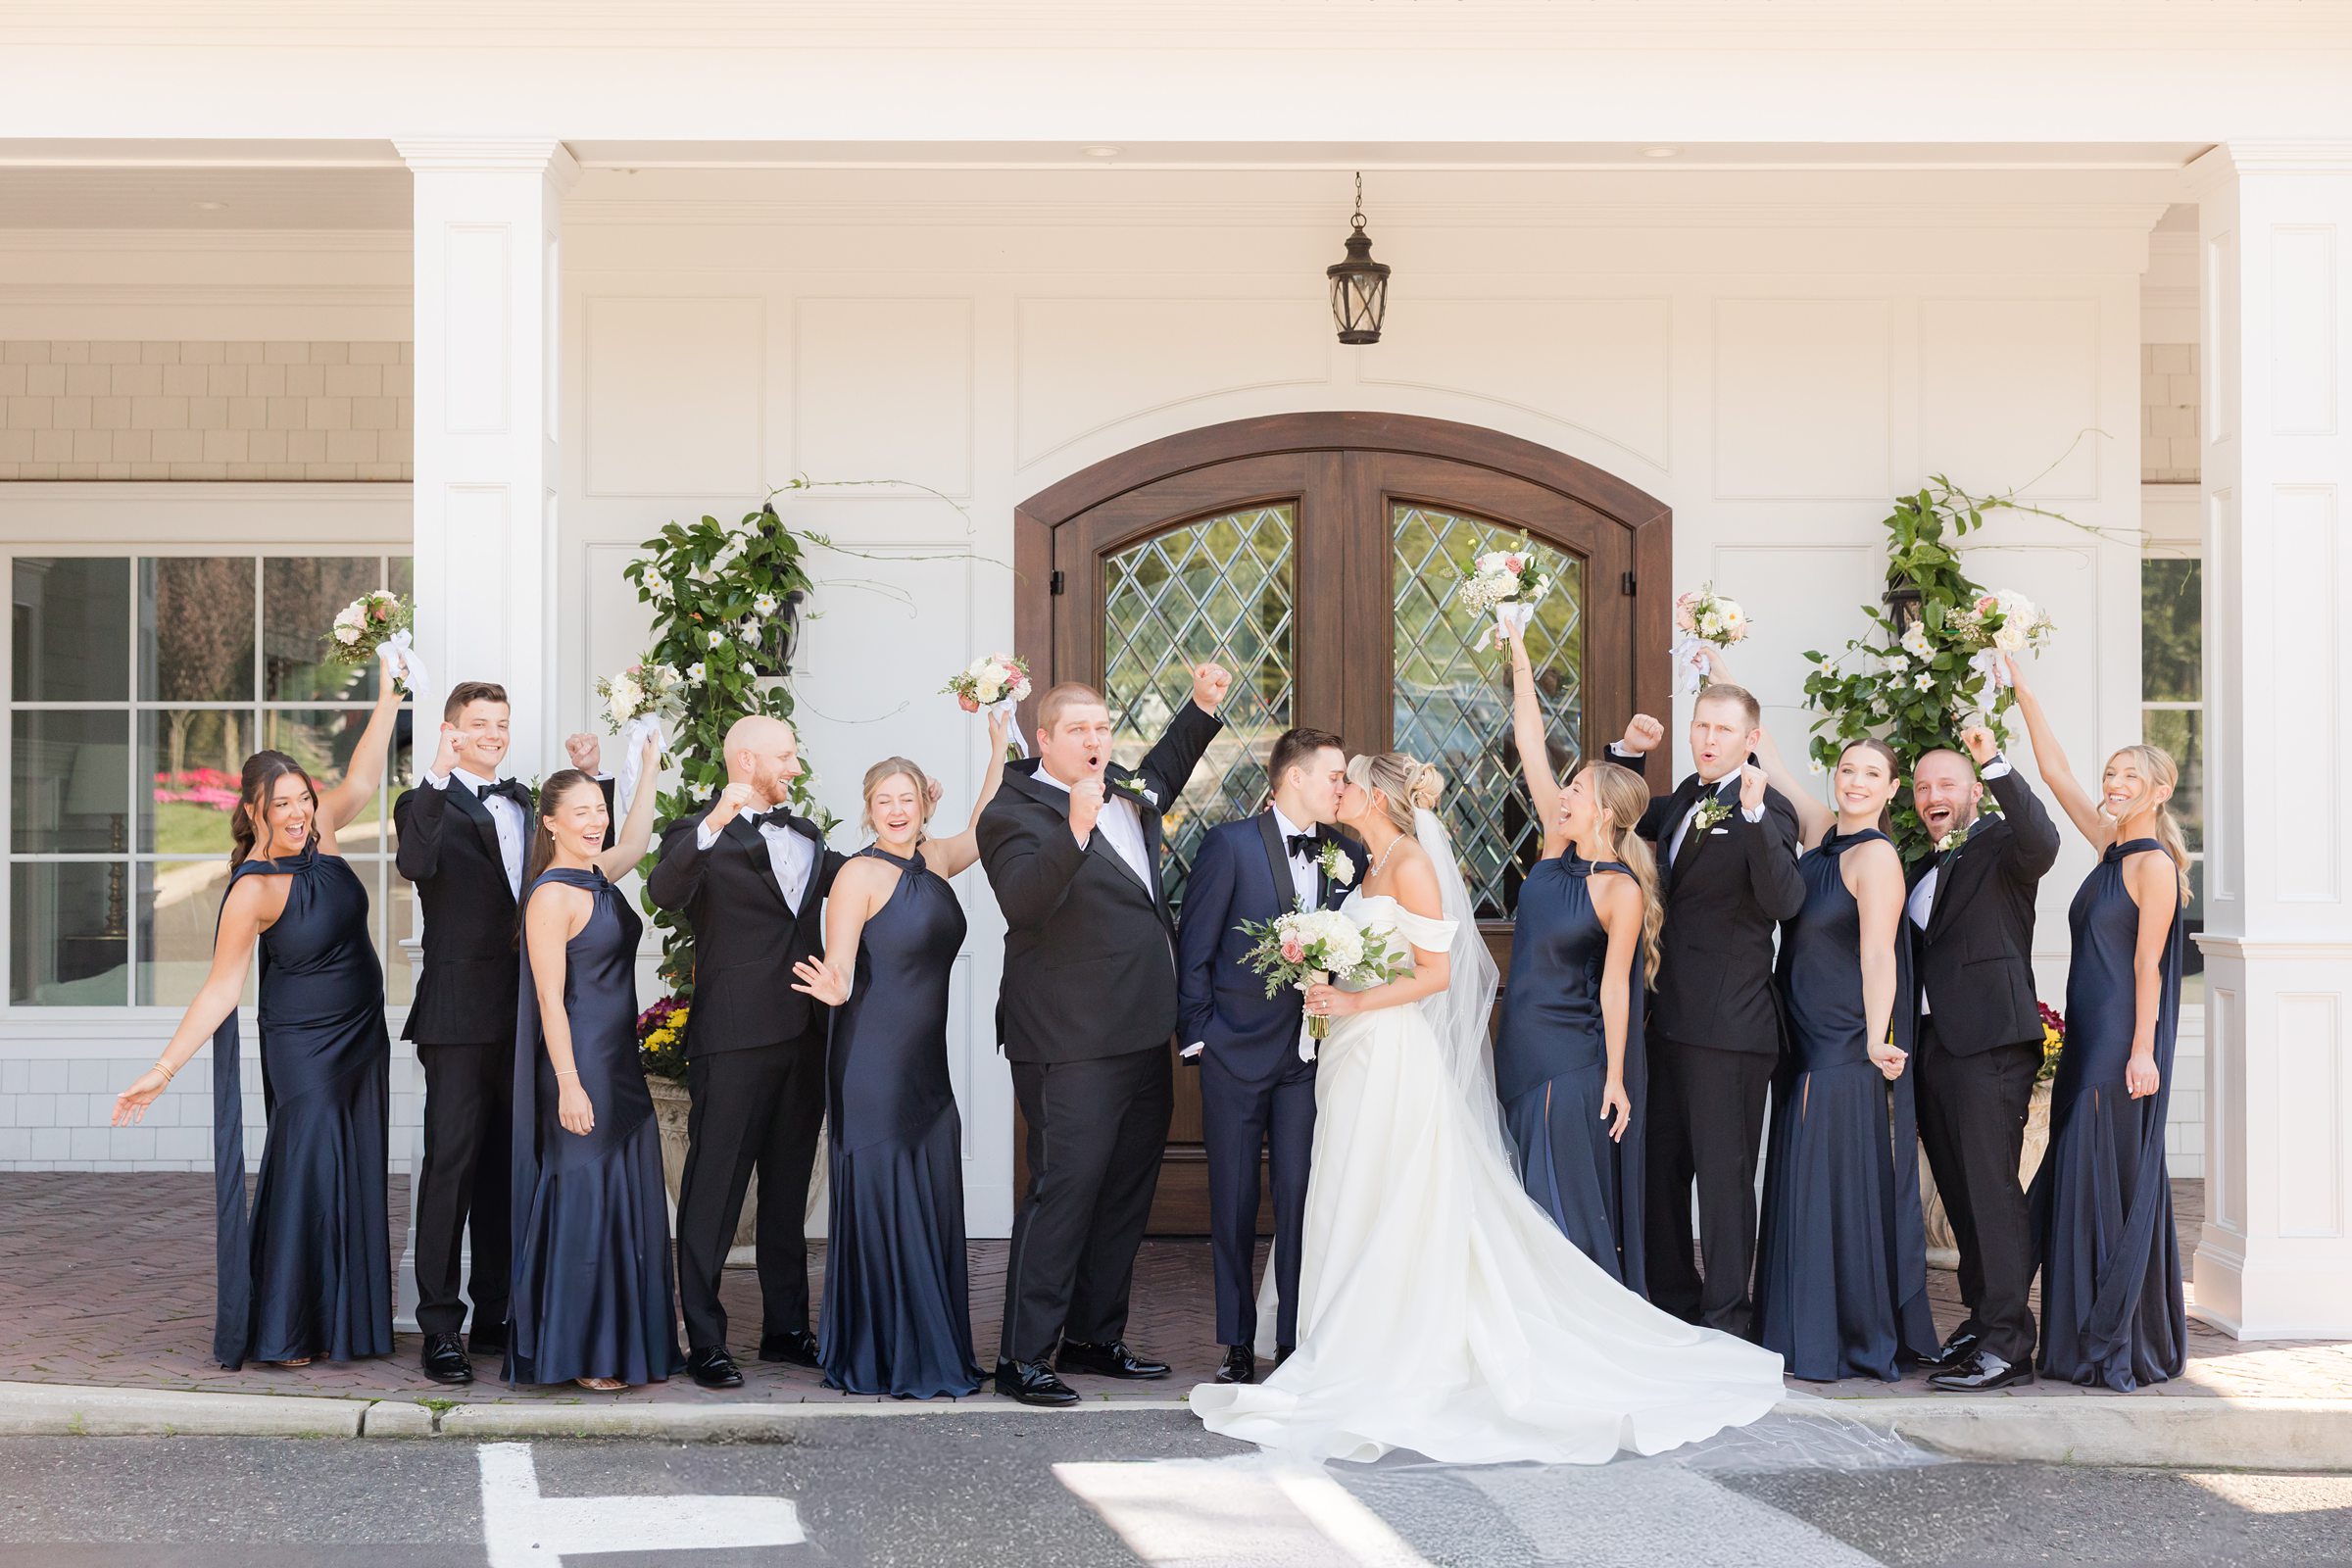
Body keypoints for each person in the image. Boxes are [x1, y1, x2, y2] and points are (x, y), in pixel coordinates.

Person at [1190, 753, 1785, 1464]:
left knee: (1397, 1192)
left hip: (1401, 1051)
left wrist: (1352, 997)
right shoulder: (1364, 862)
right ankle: (1331, 1333)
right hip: (1353, 1054)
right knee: (1348, 1188)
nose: (1339, 790)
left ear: (1379, 799)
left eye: (1351, 782)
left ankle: (1385, 1342)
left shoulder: (1418, 864)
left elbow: (1440, 974)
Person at [112, 651, 406, 1370]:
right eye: (284, 804)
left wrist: (394, 689)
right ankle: (286, 1328)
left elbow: (365, 777)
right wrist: (162, 1068)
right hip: (302, 1043)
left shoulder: (324, 833)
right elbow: (220, 988)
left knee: (357, 1164)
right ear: (255, 811)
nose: (300, 812)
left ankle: (348, 1324)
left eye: (304, 798)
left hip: (362, 1032)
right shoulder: (252, 887)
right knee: (306, 1163)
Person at [978, 664, 1230, 1407]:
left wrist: (1201, 709)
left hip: (1143, 1028)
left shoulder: (1122, 786)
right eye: (1078, 731)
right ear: (1045, 739)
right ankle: (1022, 1357)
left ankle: (1093, 1336)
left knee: (1124, 1191)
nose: (1094, 741)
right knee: (1064, 1191)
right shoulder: (1012, 811)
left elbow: (1162, 774)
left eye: (1102, 728)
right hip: (1068, 1038)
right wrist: (1076, 828)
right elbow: (1023, 904)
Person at [394, 678, 612, 1387]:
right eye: (478, 723)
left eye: (501, 723)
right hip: (458, 1013)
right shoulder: (423, 804)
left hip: (523, 1008)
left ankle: (495, 1312)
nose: (492, 733)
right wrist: (432, 771)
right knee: (450, 1165)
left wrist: (594, 777)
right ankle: (438, 1326)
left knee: (505, 1166)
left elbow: (573, 861)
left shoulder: (521, 800)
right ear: (452, 730)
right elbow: (415, 864)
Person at [788, 712, 1010, 1398]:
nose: (894, 810)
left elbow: (987, 827)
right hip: (873, 1065)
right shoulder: (857, 874)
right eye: (883, 800)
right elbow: (843, 966)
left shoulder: (935, 859)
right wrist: (831, 985)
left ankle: (928, 1340)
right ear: (869, 809)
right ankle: (882, 1352)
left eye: (906, 799)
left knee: (928, 1185)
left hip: (925, 1069)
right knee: (886, 1192)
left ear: (922, 805)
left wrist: (1000, 745)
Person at [647, 714, 847, 1390]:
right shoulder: (693, 835)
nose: (795, 765)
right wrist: (713, 819)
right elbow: (663, 892)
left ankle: (787, 1328)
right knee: (713, 1190)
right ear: (746, 760)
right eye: (785, 755)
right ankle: (704, 1340)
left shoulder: (810, 835)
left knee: (788, 1191)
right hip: (732, 1039)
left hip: (804, 1035)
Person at [2008, 657, 2190, 1392]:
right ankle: (2078, 1336)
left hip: (2119, 1045)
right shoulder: (2109, 844)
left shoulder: (2155, 868)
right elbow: (2055, 777)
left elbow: (2149, 969)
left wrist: (2143, 1053)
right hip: (2087, 1035)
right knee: (2080, 1176)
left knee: (2099, 1177)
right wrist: (2023, 692)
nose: (2113, 787)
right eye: (2111, 775)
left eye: (2128, 779)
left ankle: (2108, 1338)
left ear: (2159, 791)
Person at [1611, 685, 1806, 1336]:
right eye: (1701, 726)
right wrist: (1629, 756)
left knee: (1723, 1186)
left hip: (1729, 1030)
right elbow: (1624, 818)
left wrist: (1752, 820)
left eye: (1723, 729)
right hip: (1665, 1022)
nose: (1708, 738)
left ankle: (1728, 1320)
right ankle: (1673, 1303)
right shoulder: (1685, 800)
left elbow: (1784, 901)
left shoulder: (1768, 810)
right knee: (1660, 1171)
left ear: (1751, 739)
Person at [1746, 731, 1938, 1382]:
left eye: (1870, 774)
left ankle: (1842, 1334)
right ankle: (1803, 1326)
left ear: (1891, 791)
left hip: (1840, 1038)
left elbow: (1880, 952)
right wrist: (1711, 656)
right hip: (1800, 1036)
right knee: (1804, 1174)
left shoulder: (1876, 857)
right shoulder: (1827, 833)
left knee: (1829, 1182)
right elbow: (1779, 771)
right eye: (1847, 769)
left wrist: (1877, 1033)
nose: (1854, 781)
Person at [1174, 725, 1352, 1387]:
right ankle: (1237, 1344)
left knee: (1301, 1196)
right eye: (1332, 775)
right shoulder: (1231, 845)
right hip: (1233, 1052)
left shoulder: (1345, 854)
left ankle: (1293, 1337)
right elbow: (1194, 947)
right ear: (1294, 778)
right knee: (1234, 1200)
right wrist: (1200, 1037)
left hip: (1308, 1058)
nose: (1341, 788)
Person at [1494, 621, 1659, 1286]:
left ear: (1606, 813)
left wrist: (1616, 1078)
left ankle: (1580, 1321)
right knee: (1524, 1192)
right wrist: (1521, 658)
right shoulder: (1554, 848)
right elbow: (1530, 742)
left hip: (1571, 1058)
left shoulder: (1620, 890)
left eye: (1578, 791)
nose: (1563, 794)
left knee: (1561, 1203)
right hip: (1518, 1046)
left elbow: (1615, 989)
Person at [506, 747, 672, 1390]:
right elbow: (549, 998)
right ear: (549, 823)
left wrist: (650, 760)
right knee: (587, 1198)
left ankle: (623, 1342)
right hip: (579, 1065)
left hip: (619, 1061)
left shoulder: (600, 873)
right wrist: (569, 1083)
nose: (594, 821)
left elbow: (637, 834)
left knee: (621, 1198)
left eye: (597, 809)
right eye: (580, 813)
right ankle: (586, 1353)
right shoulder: (549, 897)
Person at [1903, 724, 2063, 1393]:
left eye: (1946, 784)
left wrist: (1994, 759)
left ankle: (2008, 1345)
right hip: (1936, 1045)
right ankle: (1981, 1321)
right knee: (1963, 1194)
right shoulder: (1925, 864)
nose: (1932, 795)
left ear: (1972, 791)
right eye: (1921, 788)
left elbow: (2043, 840)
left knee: (1991, 1193)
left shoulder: (2002, 844)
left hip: (1991, 1042)